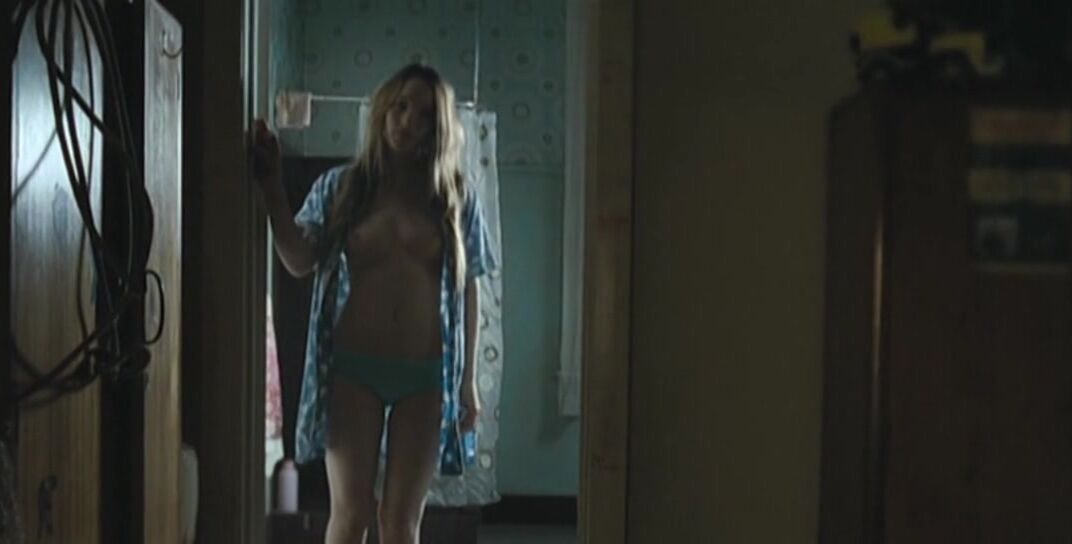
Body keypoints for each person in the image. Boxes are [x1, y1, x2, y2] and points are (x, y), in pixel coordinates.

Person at [250, 63, 496, 544]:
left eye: (424, 115)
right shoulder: (343, 187)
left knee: (401, 522)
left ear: (438, 129)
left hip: (425, 376)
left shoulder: (455, 198)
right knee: (349, 516)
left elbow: (469, 287)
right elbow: (299, 260)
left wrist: (468, 382)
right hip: (353, 370)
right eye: (401, 106)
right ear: (384, 108)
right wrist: (273, 189)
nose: (408, 121)